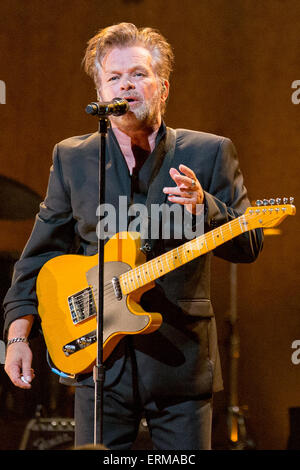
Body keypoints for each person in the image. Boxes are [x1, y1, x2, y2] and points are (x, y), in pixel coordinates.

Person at [3, 23, 263, 450]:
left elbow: (249, 245)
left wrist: (206, 208)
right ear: (101, 95)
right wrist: (17, 337)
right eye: (114, 77)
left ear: (163, 87)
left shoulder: (210, 152)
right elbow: (38, 255)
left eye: (139, 75)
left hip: (180, 365)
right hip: (99, 361)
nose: (126, 85)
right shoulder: (73, 157)